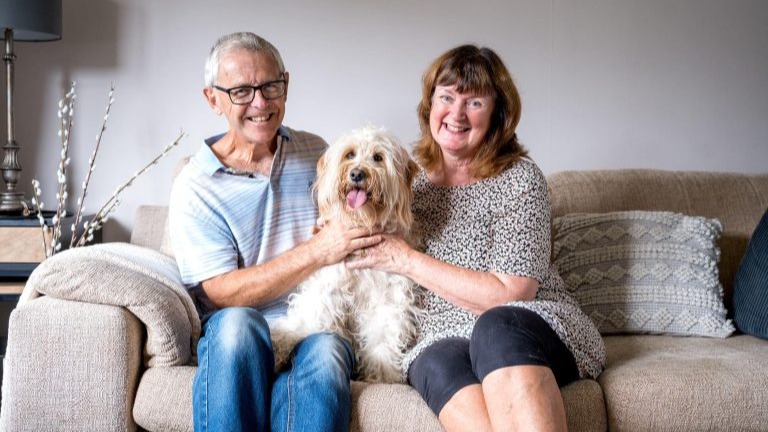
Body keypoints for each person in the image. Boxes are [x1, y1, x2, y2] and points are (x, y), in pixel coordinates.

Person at [346, 45, 607, 431]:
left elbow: (511, 293)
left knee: (495, 326)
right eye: (447, 97)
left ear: (498, 114)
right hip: (439, 334)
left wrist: (404, 259)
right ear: (429, 105)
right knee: (433, 361)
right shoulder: (406, 176)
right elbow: (356, 217)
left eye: (475, 102)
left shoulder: (519, 180)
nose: (456, 113)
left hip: (524, 321)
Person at [169, 32, 380, 432]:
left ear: (286, 84)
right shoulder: (195, 186)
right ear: (213, 99)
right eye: (241, 91)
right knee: (237, 326)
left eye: (270, 86)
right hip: (240, 330)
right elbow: (219, 292)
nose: (261, 103)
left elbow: (357, 214)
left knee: (331, 348)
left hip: (316, 320)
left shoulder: (317, 152)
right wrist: (319, 249)